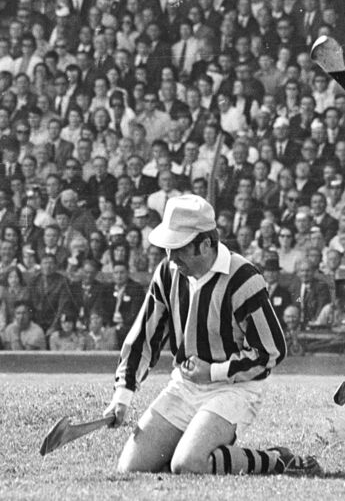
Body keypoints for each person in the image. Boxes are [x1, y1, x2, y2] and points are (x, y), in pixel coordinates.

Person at [102, 195, 320, 476]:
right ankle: (193, 445)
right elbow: (144, 335)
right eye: (168, 248)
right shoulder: (167, 272)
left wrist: (215, 371)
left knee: (188, 464)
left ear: (205, 243)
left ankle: (278, 460)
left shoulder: (243, 278)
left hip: (235, 388)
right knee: (131, 467)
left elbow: (271, 350)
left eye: (178, 248)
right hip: (184, 385)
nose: (171, 257)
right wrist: (123, 395)